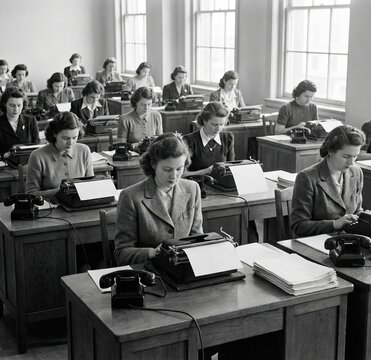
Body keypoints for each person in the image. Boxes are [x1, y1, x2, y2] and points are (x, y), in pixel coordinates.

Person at [114, 133, 203, 265]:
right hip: (149, 269)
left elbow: (198, 238)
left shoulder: (193, 188)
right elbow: (121, 253)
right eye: (167, 169)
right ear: (153, 164)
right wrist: (150, 253)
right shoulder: (130, 197)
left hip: (184, 266)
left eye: (179, 169)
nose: (174, 176)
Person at [290, 125, 366, 238]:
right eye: (346, 156)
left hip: (348, 240)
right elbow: (299, 226)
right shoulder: (307, 178)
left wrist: (366, 218)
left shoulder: (356, 172)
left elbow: (357, 211)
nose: (351, 162)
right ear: (330, 151)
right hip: (316, 243)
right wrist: (334, 224)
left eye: (355, 156)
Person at [26, 112, 92, 202]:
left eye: (74, 138)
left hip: (79, 206)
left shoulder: (84, 150)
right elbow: (31, 194)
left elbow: (92, 184)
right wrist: (61, 191)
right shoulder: (37, 156)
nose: (70, 143)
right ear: (54, 134)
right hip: (51, 209)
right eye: (65, 138)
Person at [0, 87, 40, 158]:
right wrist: (4, 155)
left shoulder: (31, 121)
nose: (16, 109)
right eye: (12, 105)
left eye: (19, 105)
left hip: (28, 162)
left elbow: (37, 147)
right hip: (4, 163)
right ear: (5, 104)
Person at [183, 101, 234, 176]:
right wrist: (203, 172)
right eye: (214, 124)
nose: (218, 128)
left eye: (221, 124)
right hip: (197, 184)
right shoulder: (189, 140)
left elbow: (231, 168)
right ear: (204, 121)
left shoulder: (228, 138)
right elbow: (182, 174)